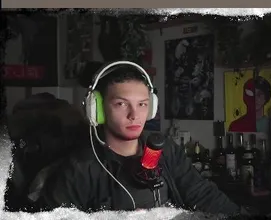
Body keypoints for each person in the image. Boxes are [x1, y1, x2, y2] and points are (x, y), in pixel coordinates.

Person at [42, 61, 240, 215]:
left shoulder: (164, 149)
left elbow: (203, 194)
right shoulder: (80, 169)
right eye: (121, 104)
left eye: (142, 104)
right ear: (98, 110)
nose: (134, 115)